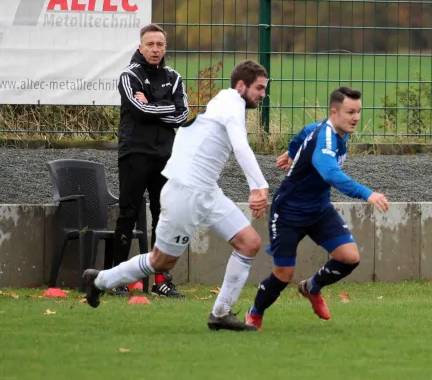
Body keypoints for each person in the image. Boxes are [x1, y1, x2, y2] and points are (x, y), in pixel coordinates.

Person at [83, 59, 270, 332]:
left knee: (249, 243)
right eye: (260, 88)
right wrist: (258, 186)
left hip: (206, 190)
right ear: (241, 85)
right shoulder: (232, 101)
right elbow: (241, 146)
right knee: (162, 261)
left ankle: (220, 313)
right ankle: (100, 280)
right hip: (186, 191)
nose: (263, 95)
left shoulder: (228, 102)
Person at [244, 87, 390, 330]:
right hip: (289, 211)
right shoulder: (327, 138)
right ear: (334, 112)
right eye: (350, 112)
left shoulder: (332, 128)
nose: (355, 117)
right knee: (283, 273)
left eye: (358, 112)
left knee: (349, 257)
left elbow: (306, 131)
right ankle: (255, 313)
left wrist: (292, 152)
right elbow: (330, 172)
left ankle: (312, 287)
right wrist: (368, 194)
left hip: (319, 209)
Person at [111, 23, 189, 298]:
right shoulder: (128, 76)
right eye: (150, 45)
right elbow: (139, 109)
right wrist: (164, 106)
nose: (155, 50)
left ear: (165, 48)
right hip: (134, 154)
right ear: (140, 47)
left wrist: (153, 107)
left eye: (159, 45)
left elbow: (183, 115)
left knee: (163, 217)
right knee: (128, 215)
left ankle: (161, 280)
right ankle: (116, 279)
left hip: (165, 157)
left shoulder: (174, 77)